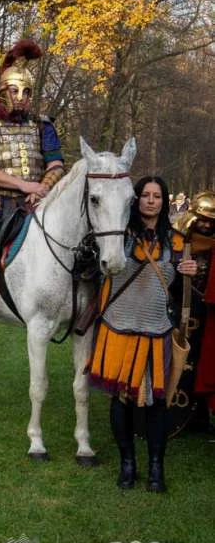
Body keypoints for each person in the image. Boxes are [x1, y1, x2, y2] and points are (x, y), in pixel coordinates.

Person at [86, 176, 197, 492]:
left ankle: (156, 469)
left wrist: (188, 272)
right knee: (121, 401)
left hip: (157, 330)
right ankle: (128, 464)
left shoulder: (176, 242)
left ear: (164, 201)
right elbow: (93, 268)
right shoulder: (117, 236)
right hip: (118, 329)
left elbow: (175, 290)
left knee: (156, 404)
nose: (151, 200)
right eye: (145, 195)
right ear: (136, 200)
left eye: (157, 196)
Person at [0, 40, 65, 323]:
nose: (21, 97)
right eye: (15, 91)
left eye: (26, 92)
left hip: (37, 200)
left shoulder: (43, 126)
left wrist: (43, 187)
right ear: (2, 92)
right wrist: (24, 185)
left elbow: (56, 164)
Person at [173, 191, 215, 433]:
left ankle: (199, 418)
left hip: (204, 314)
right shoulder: (177, 239)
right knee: (177, 365)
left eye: (212, 221)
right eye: (203, 219)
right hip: (178, 309)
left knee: (201, 364)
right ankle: (172, 412)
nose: (207, 225)